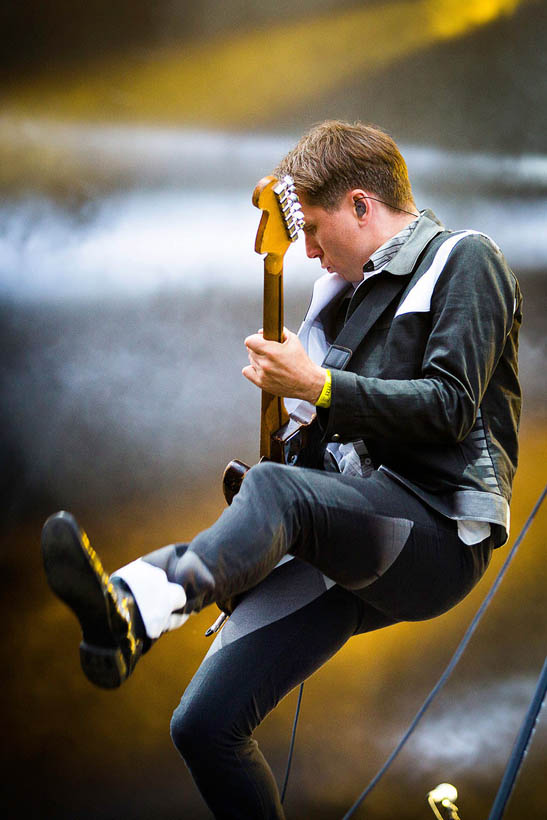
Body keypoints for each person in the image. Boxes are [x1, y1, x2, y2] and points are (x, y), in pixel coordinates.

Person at [41, 120, 522, 819]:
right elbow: (320, 460)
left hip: (439, 528)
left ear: (361, 204)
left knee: (277, 491)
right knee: (204, 726)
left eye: (316, 228)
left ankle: (136, 606)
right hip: (356, 532)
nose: (309, 251)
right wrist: (253, 538)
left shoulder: (463, 258)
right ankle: (137, 612)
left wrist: (315, 388)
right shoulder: (343, 309)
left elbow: (449, 408)